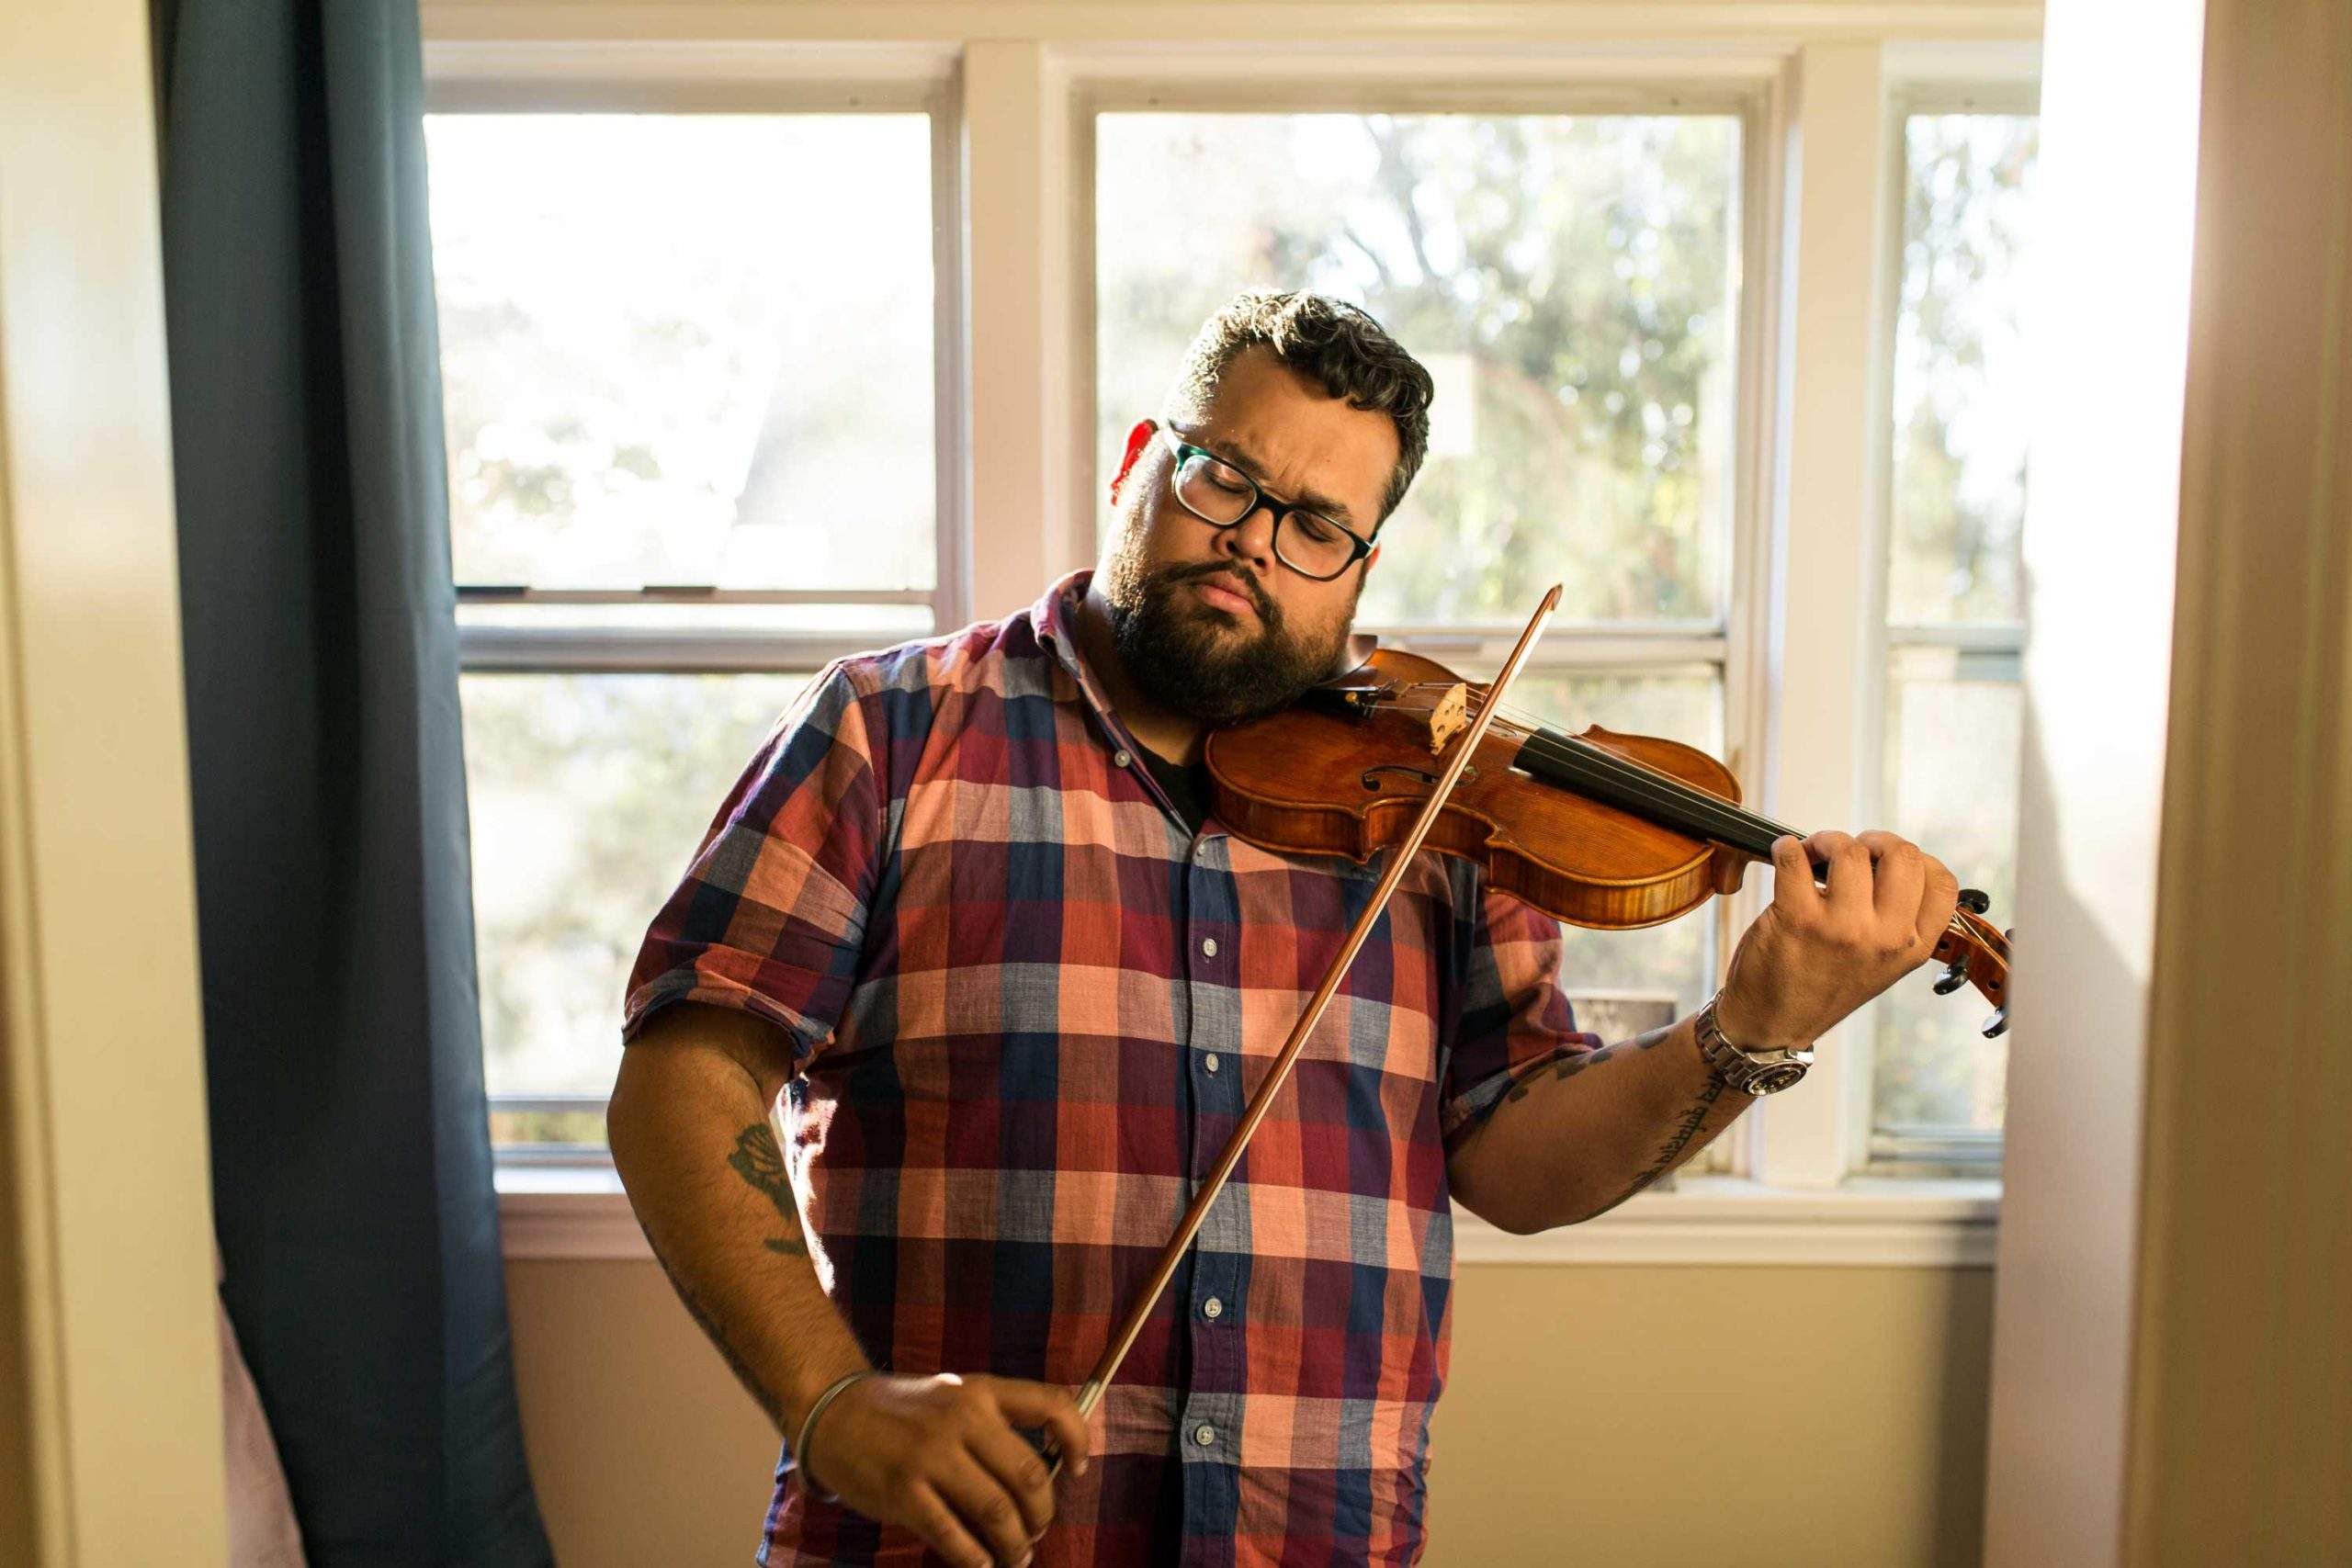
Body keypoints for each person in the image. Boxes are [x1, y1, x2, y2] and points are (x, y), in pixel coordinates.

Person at [608, 290, 1960, 1568]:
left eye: (1318, 524)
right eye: (1226, 480)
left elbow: (1517, 1162)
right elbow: (687, 1072)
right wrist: (834, 1400)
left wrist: (1751, 1032)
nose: (1258, 540)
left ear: (1361, 567)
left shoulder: (1439, 806)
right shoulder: (889, 729)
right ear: (1142, 460)